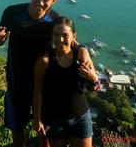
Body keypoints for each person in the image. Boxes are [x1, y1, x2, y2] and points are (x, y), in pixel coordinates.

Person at [0, 0, 59, 147]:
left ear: (54, 1)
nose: (40, 2)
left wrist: (85, 56)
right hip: (17, 81)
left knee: (45, 128)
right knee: (17, 127)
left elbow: (70, 45)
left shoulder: (55, 21)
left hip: (44, 84)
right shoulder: (12, 13)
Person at [33, 17, 99, 147]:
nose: (60, 39)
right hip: (54, 120)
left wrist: (94, 78)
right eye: (56, 35)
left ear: (73, 36)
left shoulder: (81, 56)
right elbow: (37, 91)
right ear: (52, 36)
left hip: (81, 117)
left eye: (65, 35)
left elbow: (95, 88)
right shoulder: (45, 61)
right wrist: (37, 119)